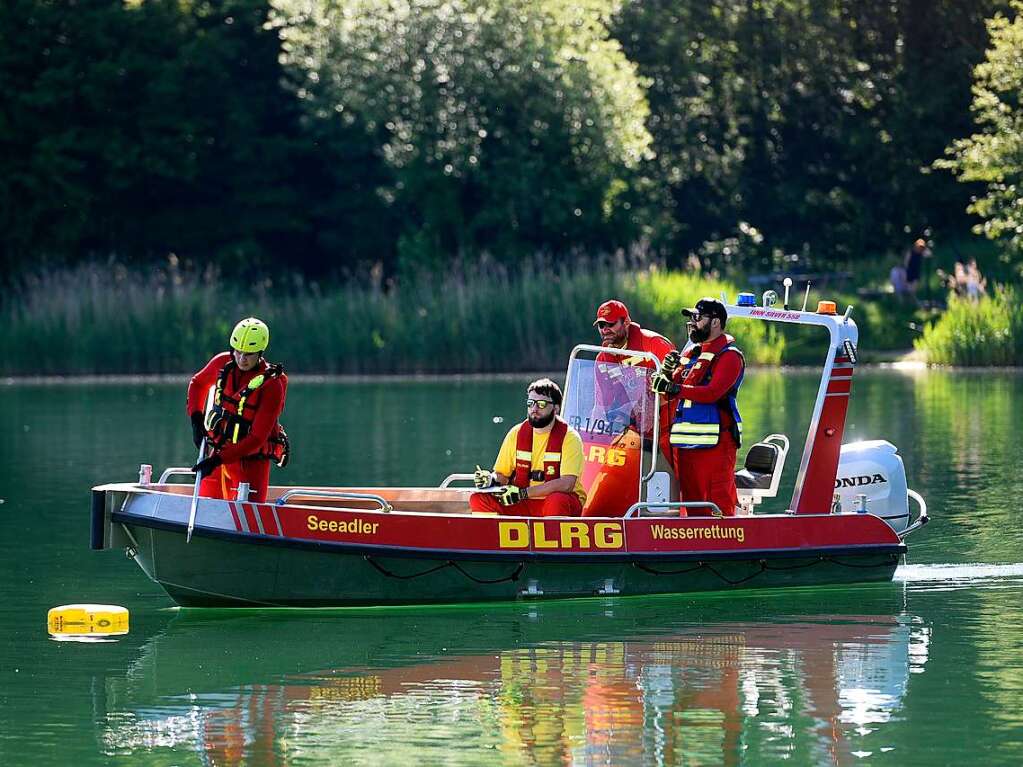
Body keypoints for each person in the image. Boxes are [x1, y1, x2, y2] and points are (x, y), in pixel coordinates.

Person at [649, 297, 744, 517]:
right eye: (691, 317)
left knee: (718, 502)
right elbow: (667, 391)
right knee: (690, 505)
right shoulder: (691, 354)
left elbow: (712, 393)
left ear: (715, 323)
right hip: (686, 445)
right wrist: (663, 375)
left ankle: (725, 543)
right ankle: (694, 546)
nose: (692, 322)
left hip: (716, 446)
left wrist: (673, 388)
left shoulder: (730, 356)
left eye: (698, 317)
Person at [187, 317, 290, 503]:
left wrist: (217, 460)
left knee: (247, 519)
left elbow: (257, 438)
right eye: (238, 352)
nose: (242, 359)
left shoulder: (272, 385)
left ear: (260, 352)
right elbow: (198, 384)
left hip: (250, 465)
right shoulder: (222, 363)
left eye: (248, 354)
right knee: (204, 507)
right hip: (218, 456)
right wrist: (196, 420)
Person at [469, 379, 586, 517]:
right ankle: (489, 536)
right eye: (531, 403)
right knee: (478, 499)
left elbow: (567, 484)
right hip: (523, 502)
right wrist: (490, 478)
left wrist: (523, 493)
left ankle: (552, 537)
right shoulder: (516, 434)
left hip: (558, 502)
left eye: (541, 404)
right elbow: (502, 475)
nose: (534, 409)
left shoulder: (570, 438)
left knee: (556, 500)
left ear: (556, 409)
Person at [592, 299, 676, 451]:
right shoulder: (602, 359)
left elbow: (677, 387)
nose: (605, 330)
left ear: (626, 322)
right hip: (632, 433)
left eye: (611, 324)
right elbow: (600, 406)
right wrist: (589, 438)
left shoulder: (654, 344)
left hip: (668, 430)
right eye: (601, 325)